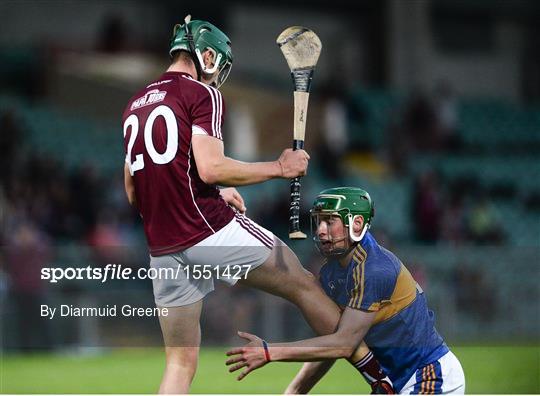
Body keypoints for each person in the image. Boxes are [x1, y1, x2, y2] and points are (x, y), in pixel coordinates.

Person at [122, 16, 393, 394]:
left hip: (163, 249)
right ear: (208, 56)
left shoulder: (136, 104)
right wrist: (280, 168)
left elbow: (137, 192)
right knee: (304, 286)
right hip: (210, 232)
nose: (219, 76)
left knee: (180, 364)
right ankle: (381, 375)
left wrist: (210, 194)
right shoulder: (202, 94)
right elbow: (211, 167)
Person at [226, 187, 466, 394]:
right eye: (318, 221)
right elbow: (332, 343)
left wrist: (269, 352)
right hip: (395, 384)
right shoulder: (332, 272)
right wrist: (296, 391)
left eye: (329, 221)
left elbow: (343, 344)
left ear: (357, 224)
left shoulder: (374, 269)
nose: (320, 230)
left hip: (430, 377)